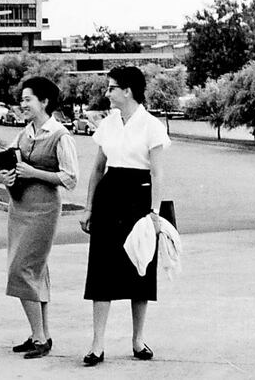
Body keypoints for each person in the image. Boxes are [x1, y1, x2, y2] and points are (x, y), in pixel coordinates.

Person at [78, 66, 170, 366]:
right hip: (109, 198)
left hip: (139, 201)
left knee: (139, 269)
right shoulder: (108, 124)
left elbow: (157, 173)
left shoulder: (152, 126)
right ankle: (97, 344)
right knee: (101, 269)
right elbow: (96, 169)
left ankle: (138, 339)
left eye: (111, 88)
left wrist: (155, 213)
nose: (107, 93)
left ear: (127, 91)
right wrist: (89, 207)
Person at [0, 76, 80, 359]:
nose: (23, 104)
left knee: (21, 269)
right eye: (22, 99)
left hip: (44, 209)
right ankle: (40, 335)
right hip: (19, 206)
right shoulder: (25, 132)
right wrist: (3, 175)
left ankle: (40, 337)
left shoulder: (59, 134)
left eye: (28, 99)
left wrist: (33, 173)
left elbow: (70, 178)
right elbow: (9, 163)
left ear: (44, 101)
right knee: (36, 271)